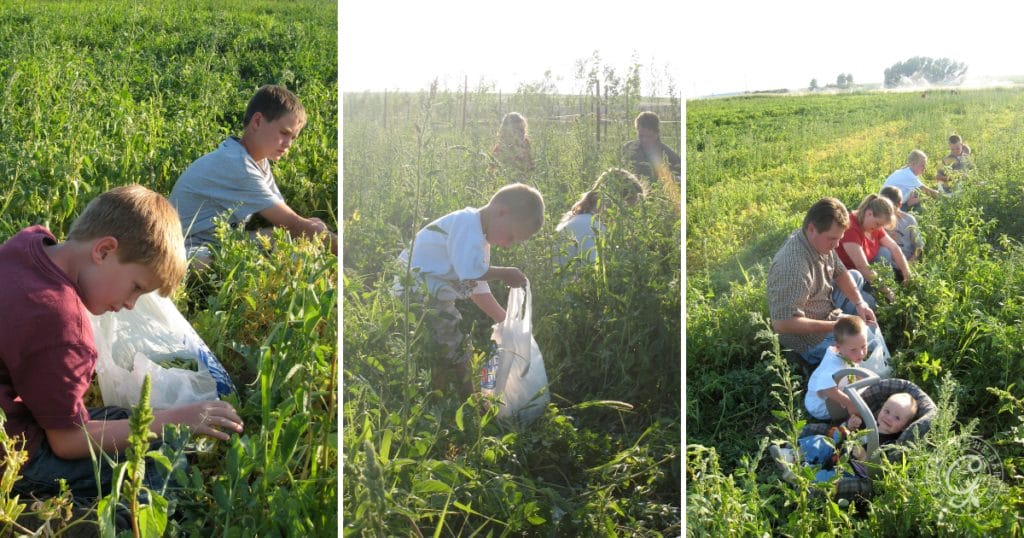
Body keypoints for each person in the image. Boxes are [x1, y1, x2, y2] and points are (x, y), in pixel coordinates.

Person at [0, 185, 244, 501]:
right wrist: (176, 420)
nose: (131, 304)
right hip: (14, 457)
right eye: (136, 287)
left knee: (117, 417)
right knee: (161, 463)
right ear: (104, 251)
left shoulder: (29, 243)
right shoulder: (65, 326)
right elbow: (67, 442)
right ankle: (93, 516)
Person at [394, 184, 545, 396]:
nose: (507, 244)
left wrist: (503, 319)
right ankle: (465, 398)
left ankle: (446, 394)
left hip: (429, 293)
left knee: (442, 345)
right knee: (452, 345)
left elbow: (477, 286)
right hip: (415, 290)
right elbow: (470, 272)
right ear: (501, 212)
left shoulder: (478, 237)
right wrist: (504, 273)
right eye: (511, 236)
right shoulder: (466, 224)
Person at [170, 84, 337, 268]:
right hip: (182, 249)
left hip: (218, 242)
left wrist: (311, 227)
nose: (288, 144)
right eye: (284, 133)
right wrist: (340, 248)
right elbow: (293, 223)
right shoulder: (238, 165)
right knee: (223, 262)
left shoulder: (257, 161)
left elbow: (285, 218)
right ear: (257, 122)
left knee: (285, 236)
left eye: (293, 138)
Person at [767, 197, 884, 365]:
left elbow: (840, 271)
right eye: (832, 239)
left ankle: (850, 314)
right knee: (867, 345)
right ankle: (810, 359)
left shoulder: (818, 241)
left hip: (824, 307)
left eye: (839, 238)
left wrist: (860, 303)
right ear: (811, 229)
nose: (836, 245)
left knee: (856, 279)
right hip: (809, 339)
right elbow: (782, 324)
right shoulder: (793, 267)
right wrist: (836, 326)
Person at [773, 392, 918, 483]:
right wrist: (849, 425)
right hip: (837, 451)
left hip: (850, 471)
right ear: (881, 409)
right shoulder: (868, 422)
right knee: (821, 440)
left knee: (831, 479)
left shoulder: (891, 444)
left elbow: (879, 471)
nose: (889, 418)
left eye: (897, 418)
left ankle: (801, 474)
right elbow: (842, 434)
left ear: (905, 426)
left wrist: (864, 456)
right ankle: (792, 455)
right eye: (887, 411)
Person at [555, 167, 648, 265]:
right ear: (614, 201)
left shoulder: (580, 219)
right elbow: (593, 270)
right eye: (628, 210)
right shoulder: (592, 228)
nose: (627, 219)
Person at [804, 315, 871, 422]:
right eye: (853, 349)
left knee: (862, 390)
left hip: (832, 388)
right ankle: (844, 420)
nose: (861, 353)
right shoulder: (834, 366)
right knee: (857, 405)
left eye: (863, 346)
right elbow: (827, 389)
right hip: (820, 405)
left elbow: (854, 370)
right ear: (838, 347)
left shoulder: (846, 353)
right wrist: (849, 403)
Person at [836, 194, 913, 285]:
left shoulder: (874, 226)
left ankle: (887, 283)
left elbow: (894, 247)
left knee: (884, 252)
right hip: (848, 275)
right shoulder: (851, 228)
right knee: (866, 292)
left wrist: (906, 272)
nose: (879, 228)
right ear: (869, 213)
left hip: (866, 269)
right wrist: (887, 290)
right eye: (877, 224)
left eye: (881, 225)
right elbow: (862, 267)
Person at [620, 111, 681, 181]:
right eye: (641, 135)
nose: (644, 140)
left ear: (657, 133)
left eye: (649, 136)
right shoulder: (628, 148)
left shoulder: (670, 156)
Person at [877, 186, 924, 264]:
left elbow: (919, 246)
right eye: (883, 208)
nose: (886, 212)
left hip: (906, 260)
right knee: (883, 251)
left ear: (899, 205)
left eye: (890, 208)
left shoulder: (909, 220)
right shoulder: (877, 219)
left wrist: (910, 263)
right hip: (885, 263)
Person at [490, 112, 534, 180]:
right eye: (517, 130)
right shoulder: (499, 149)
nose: (522, 133)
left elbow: (530, 168)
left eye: (523, 130)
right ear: (506, 131)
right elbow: (491, 172)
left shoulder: (526, 144)